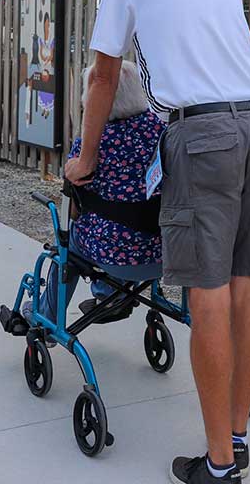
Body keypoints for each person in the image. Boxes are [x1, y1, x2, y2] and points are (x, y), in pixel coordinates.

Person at [64, 0, 250, 484]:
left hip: (202, 133)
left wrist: (86, 160)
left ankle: (216, 467)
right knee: (244, 288)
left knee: (206, 293)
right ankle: (235, 439)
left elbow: (103, 77)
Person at [37, 61, 164, 326]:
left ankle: (47, 317)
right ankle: (110, 293)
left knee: (70, 242)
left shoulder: (91, 144)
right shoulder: (162, 133)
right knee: (128, 225)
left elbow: (72, 208)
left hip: (112, 255)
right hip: (162, 251)